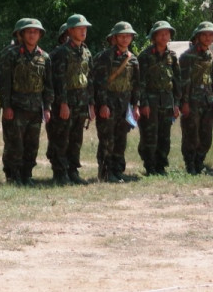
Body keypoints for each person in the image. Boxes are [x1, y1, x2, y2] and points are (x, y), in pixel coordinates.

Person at [0, 18, 50, 185]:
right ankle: (12, 176)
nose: (32, 35)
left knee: (32, 144)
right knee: (14, 144)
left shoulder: (44, 57)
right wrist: (7, 106)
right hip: (16, 107)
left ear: (40, 35)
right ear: (21, 34)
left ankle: (27, 175)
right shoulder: (10, 54)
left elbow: (48, 85)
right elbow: (3, 82)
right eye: (29, 31)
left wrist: (46, 107)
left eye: (35, 32)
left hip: (35, 108)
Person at [44, 14, 96, 184]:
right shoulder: (60, 53)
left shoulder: (86, 52)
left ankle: (73, 171)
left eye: (85, 28)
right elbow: (58, 81)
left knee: (76, 139)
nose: (83, 31)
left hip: (81, 103)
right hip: (65, 104)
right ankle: (60, 173)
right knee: (61, 138)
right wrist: (63, 103)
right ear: (70, 30)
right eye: (80, 28)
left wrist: (91, 103)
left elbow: (89, 79)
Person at [92, 22, 138, 182]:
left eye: (128, 36)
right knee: (107, 139)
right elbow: (99, 83)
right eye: (122, 36)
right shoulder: (106, 57)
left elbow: (135, 85)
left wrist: (135, 106)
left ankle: (118, 170)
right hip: (109, 104)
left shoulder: (132, 59)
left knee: (121, 139)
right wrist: (103, 104)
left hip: (124, 105)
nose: (125, 39)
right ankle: (105, 173)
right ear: (115, 37)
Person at [134, 21, 181, 176]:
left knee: (164, 136)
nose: (164, 36)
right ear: (154, 36)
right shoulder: (145, 56)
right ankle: (150, 166)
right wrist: (144, 103)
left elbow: (176, 81)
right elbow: (140, 82)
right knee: (149, 135)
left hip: (167, 102)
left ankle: (161, 166)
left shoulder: (172, 56)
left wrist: (176, 104)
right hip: (151, 102)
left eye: (167, 33)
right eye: (161, 33)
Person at [178, 22, 213, 175]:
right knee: (191, 133)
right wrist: (185, 102)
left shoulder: (211, 56)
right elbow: (184, 82)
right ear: (197, 36)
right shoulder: (187, 57)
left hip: (207, 101)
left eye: (211, 35)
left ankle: (200, 162)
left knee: (206, 135)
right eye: (204, 34)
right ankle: (190, 164)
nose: (208, 37)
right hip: (192, 101)